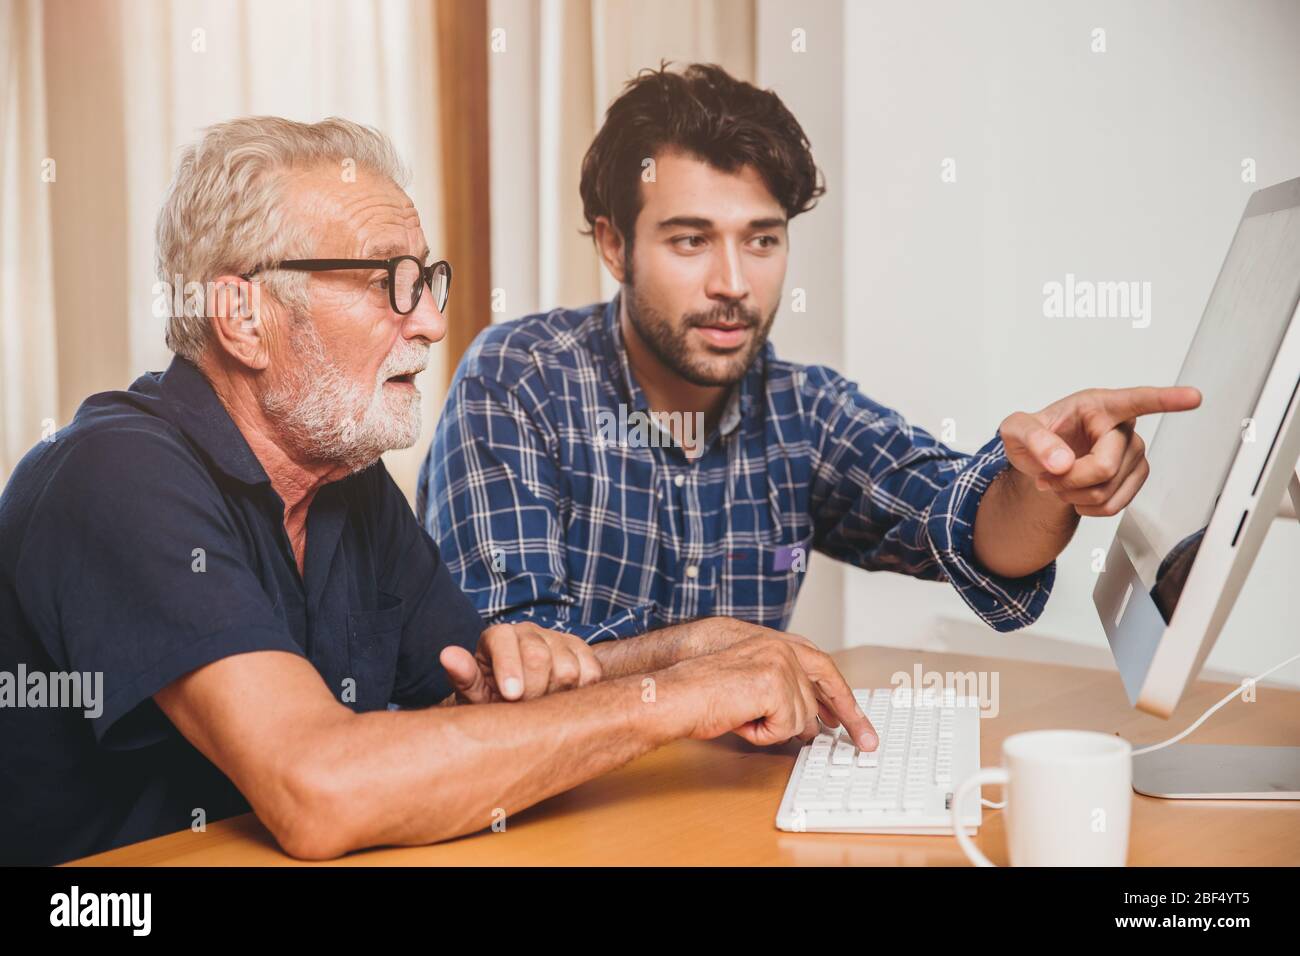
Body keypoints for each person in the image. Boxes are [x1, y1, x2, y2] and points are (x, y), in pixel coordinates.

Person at [0, 116, 873, 866]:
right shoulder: (112, 475)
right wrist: (686, 699)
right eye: (390, 283)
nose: (431, 319)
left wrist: (696, 652)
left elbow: (483, 703)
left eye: (428, 279)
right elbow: (321, 788)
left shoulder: (345, 483)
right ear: (243, 315)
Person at [421, 63, 1200, 650]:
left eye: (761, 239)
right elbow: (514, 662)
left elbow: (962, 522)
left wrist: (1048, 482)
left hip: (723, 818)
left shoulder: (803, 410)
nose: (733, 284)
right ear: (614, 244)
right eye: (690, 240)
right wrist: (712, 661)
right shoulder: (516, 381)